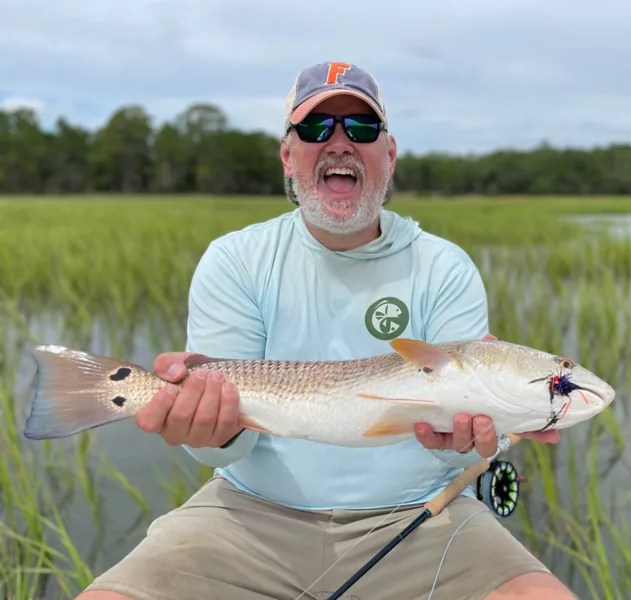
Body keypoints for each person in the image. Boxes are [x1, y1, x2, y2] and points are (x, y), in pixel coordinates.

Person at [79, 61, 575, 600]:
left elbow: (461, 446)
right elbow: (221, 453)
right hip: (246, 516)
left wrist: (466, 444)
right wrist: (208, 431)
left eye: (361, 129)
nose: (339, 142)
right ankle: (93, 388)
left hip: (424, 518)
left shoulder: (445, 267)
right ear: (288, 157)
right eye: (316, 128)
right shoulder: (235, 259)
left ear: (389, 156)